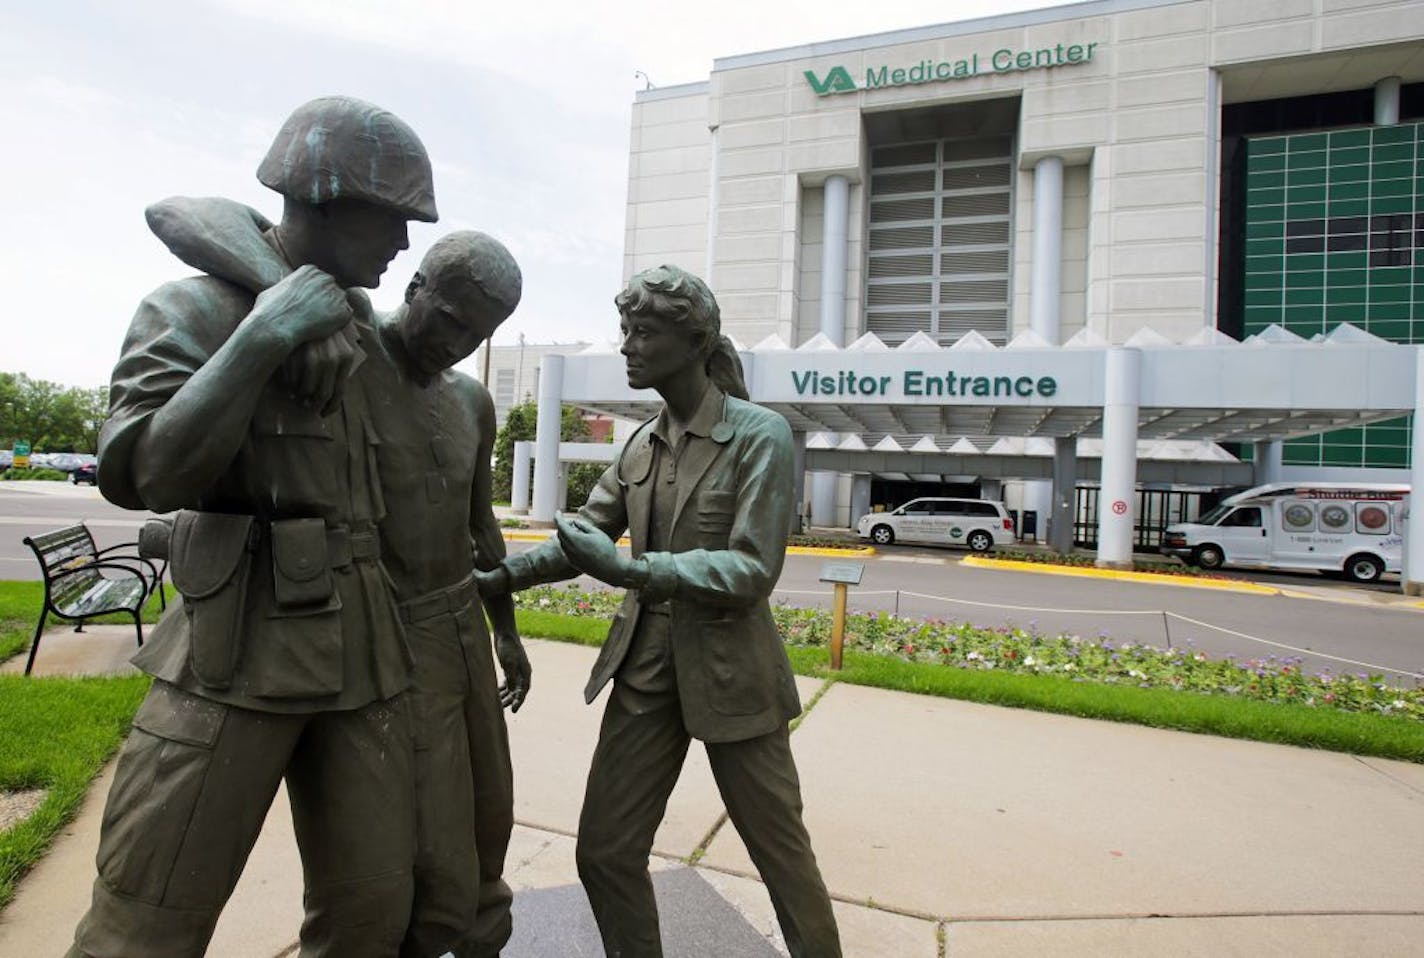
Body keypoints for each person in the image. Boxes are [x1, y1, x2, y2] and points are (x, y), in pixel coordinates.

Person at [69, 96, 437, 958]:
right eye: (390, 218)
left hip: (362, 652)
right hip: (233, 651)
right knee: (146, 917)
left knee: (372, 915)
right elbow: (145, 474)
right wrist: (265, 334)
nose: (402, 245)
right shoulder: (192, 312)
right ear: (323, 198)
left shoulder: (357, 331)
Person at [142, 198, 532, 958]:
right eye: (448, 318)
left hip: (461, 631)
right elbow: (190, 215)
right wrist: (277, 292)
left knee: (484, 833)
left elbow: (479, 527)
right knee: (393, 868)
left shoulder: (472, 402)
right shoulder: (347, 344)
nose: (454, 343)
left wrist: (507, 633)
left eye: (476, 333)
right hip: (381, 630)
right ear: (414, 287)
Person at [476, 264, 843, 958]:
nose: (627, 345)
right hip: (645, 670)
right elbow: (584, 537)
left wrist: (636, 570)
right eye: (625, 331)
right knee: (606, 852)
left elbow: (752, 569)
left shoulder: (760, 435)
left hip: (734, 676)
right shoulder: (641, 442)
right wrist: (499, 577)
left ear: (694, 340)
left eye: (644, 332)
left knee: (781, 858)